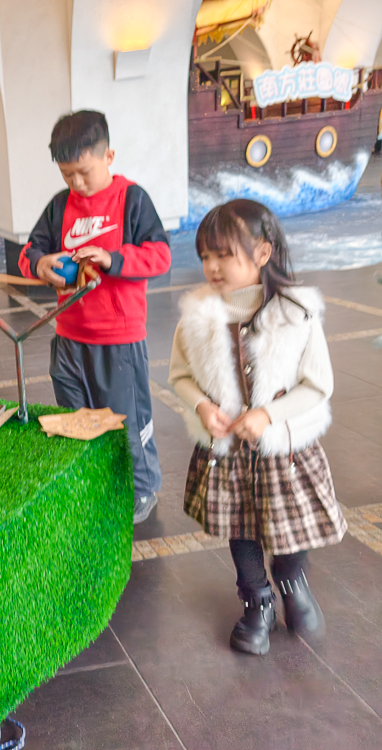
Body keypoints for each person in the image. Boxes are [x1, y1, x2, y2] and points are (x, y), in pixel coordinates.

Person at [168, 199, 346, 656]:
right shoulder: (197, 316)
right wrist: (204, 407)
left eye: (224, 254)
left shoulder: (296, 312)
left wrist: (268, 415)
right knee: (242, 527)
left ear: (263, 253)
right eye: (206, 256)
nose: (212, 266)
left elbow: (317, 386)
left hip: (283, 449)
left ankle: (292, 580)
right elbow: (180, 376)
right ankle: (256, 601)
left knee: (289, 528)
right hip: (226, 451)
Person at [18, 110, 170, 523]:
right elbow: (28, 252)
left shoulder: (131, 199)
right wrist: (40, 264)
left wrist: (112, 257)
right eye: (68, 175)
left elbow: (161, 255)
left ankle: (141, 490)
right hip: (68, 336)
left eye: (84, 172)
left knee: (126, 421)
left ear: (109, 156)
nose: (77, 184)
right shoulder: (59, 206)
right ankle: (97, 484)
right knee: (79, 422)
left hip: (118, 338)